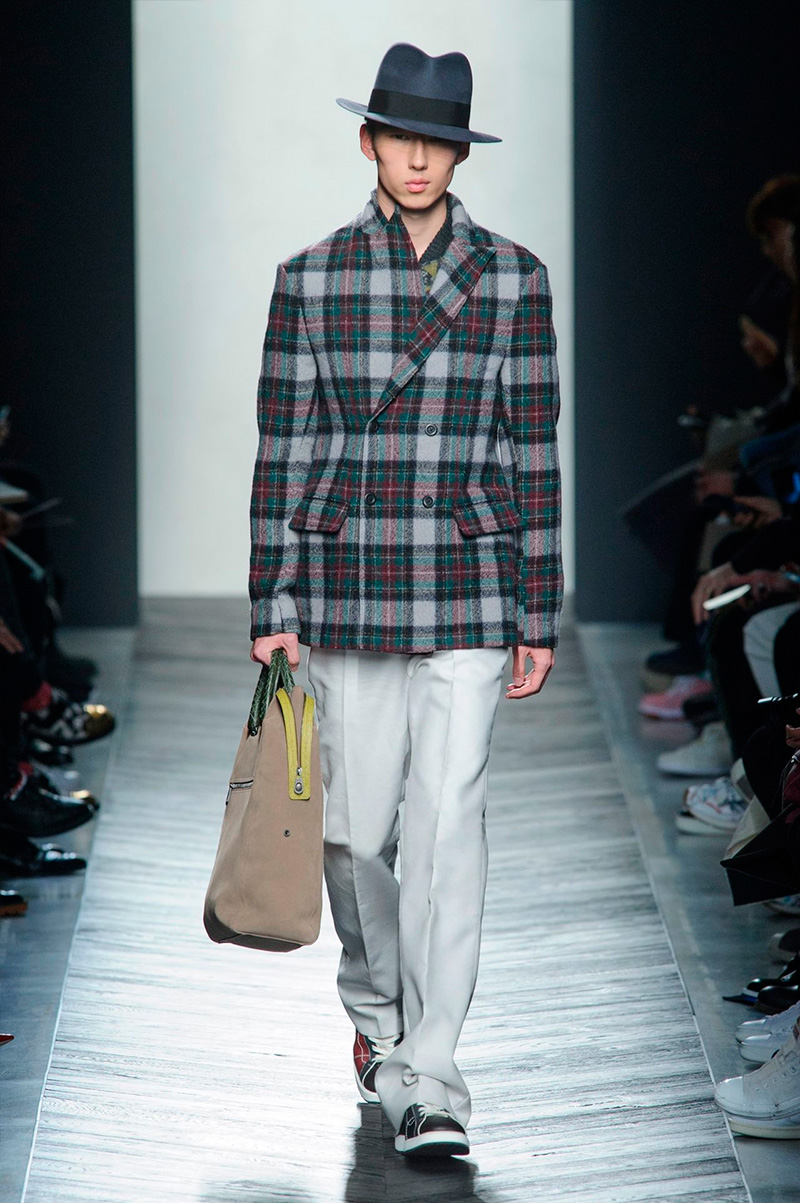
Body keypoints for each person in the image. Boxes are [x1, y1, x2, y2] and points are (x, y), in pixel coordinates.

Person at [247, 43, 563, 1158]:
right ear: (368, 140)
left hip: (468, 578)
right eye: (401, 137)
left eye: (439, 141)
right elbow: (281, 451)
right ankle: (376, 1020)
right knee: (350, 835)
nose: (419, 159)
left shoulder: (514, 278)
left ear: (458, 152)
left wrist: (537, 608)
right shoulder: (309, 277)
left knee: (447, 828)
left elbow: (533, 451)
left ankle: (432, 1073)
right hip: (349, 578)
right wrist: (272, 599)